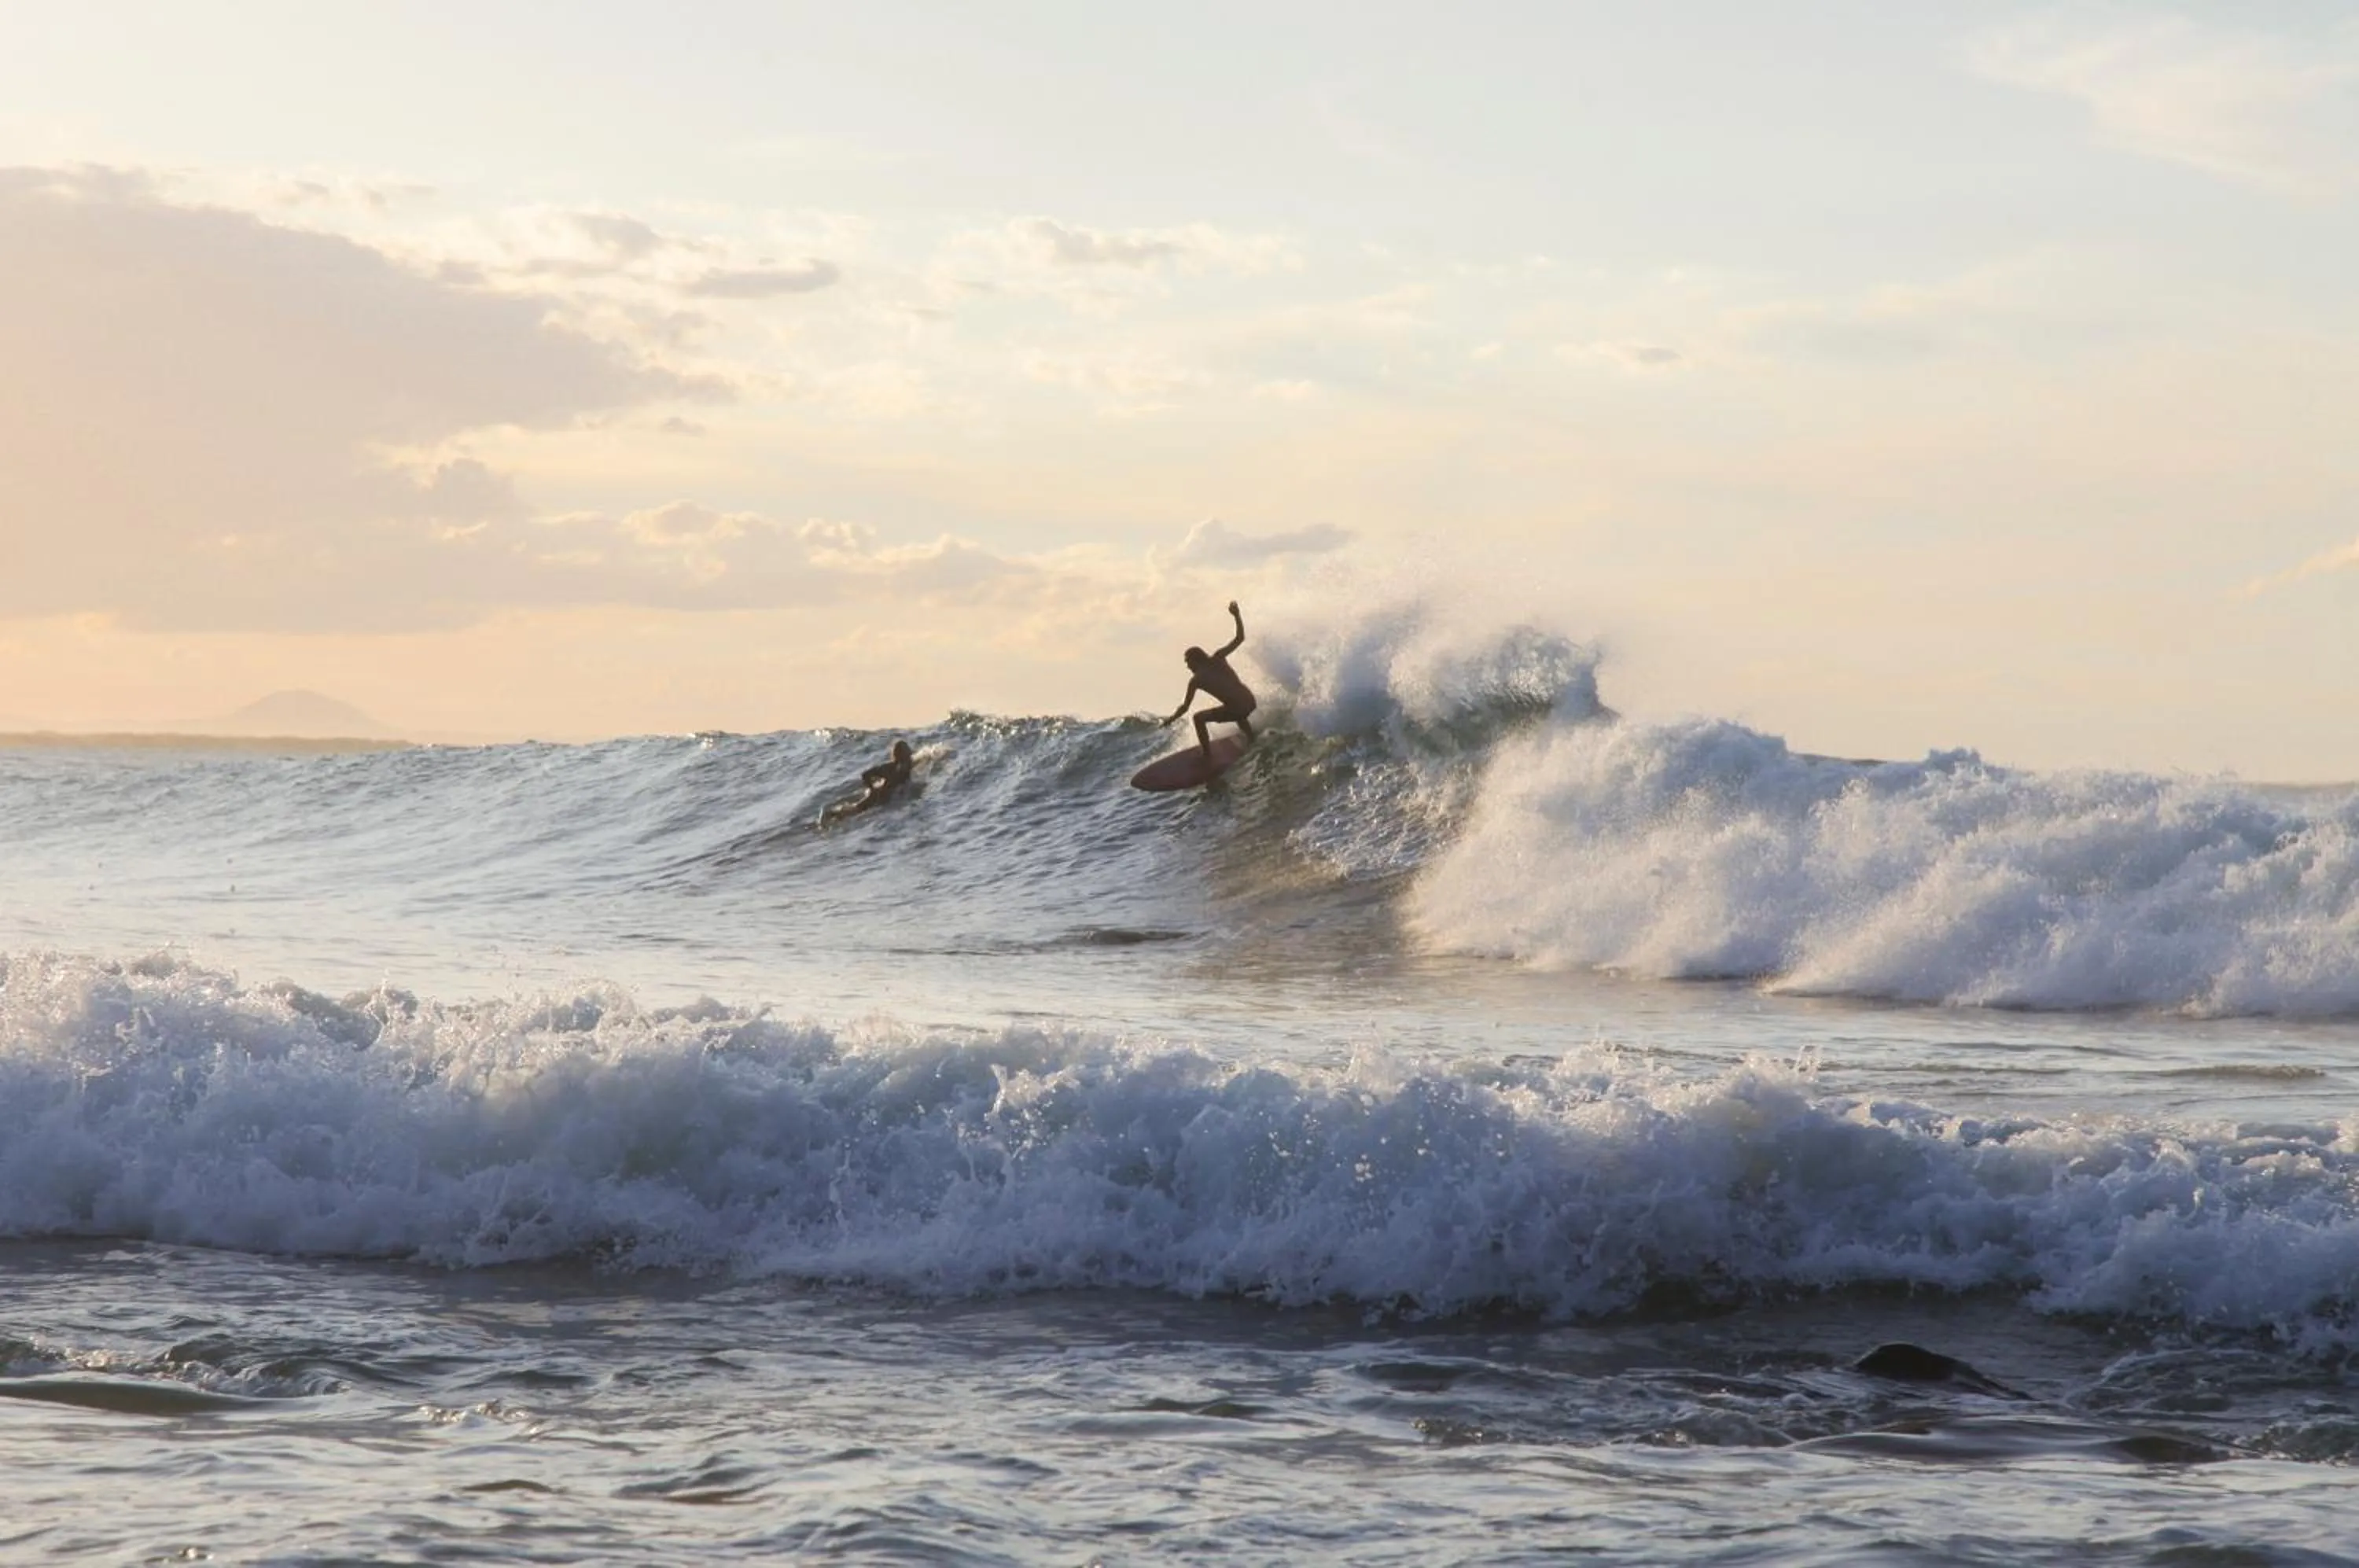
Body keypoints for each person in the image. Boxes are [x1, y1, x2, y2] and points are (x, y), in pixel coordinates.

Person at [1160, 601, 1256, 760]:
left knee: (1198, 718)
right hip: (1250, 701)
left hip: (1237, 708)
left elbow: (1185, 707)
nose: (1187, 666)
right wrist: (1237, 616)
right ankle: (1251, 738)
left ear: (1196, 660)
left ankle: (1207, 756)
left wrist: (1171, 719)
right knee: (1236, 710)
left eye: (1188, 662)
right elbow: (1240, 638)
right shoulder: (1218, 658)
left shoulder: (1196, 680)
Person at [823, 739, 915, 825]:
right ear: (901, 755)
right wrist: (872, 788)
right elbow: (866, 774)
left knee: (854, 810)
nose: (910, 754)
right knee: (855, 810)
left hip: (881, 799)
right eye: (907, 751)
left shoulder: (905, 767)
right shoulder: (890, 768)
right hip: (875, 798)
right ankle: (828, 816)